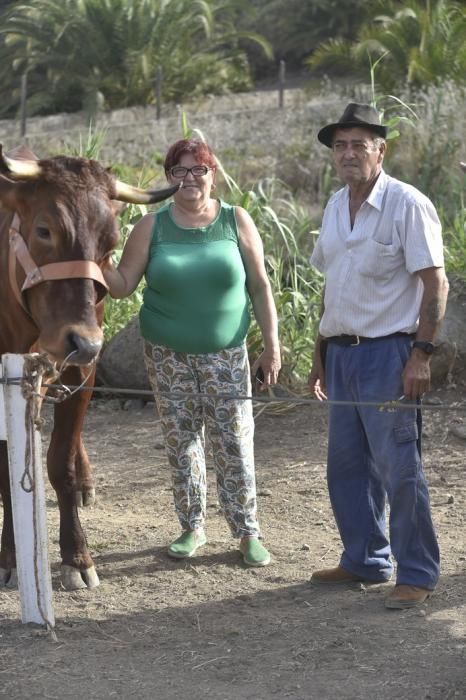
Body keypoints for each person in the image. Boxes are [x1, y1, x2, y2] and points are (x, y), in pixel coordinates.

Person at [103, 138, 281, 567]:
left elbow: (259, 286)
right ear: (168, 178)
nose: (189, 179)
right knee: (182, 443)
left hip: (226, 355)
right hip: (168, 357)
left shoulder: (236, 220)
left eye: (197, 170)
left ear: (212, 173)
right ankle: (191, 527)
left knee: (234, 442)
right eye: (179, 172)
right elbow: (123, 285)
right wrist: (93, 252)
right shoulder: (152, 226)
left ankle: (247, 532)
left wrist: (272, 346)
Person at [307, 103, 449, 609]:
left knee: (399, 469)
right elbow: (333, 285)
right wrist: (320, 352)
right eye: (340, 145)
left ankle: (417, 572)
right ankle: (364, 559)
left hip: (390, 354)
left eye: (358, 145)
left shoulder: (407, 203)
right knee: (346, 466)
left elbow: (435, 283)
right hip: (343, 355)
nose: (348, 154)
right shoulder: (334, 205)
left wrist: (422, 355)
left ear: (380, 150)